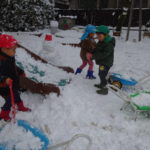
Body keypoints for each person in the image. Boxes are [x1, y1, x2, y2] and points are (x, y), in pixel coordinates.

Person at [0, 34, 31, 121]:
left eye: (15, 49)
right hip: (5, 86)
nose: (15, 52)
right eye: (13, 49)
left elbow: (13, 67)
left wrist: (20, 71)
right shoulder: (1, 61)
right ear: (3, 49)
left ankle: (21, 107)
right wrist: (4, 79)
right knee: (9, 101)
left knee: (16, 94)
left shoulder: (10, 57)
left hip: (13, 82)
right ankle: (3, 114)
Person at [93, 25, 115, 95]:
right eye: (98, 36)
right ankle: (102, 84)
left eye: (100, 36)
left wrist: (93, 56)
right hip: (102, 62)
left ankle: (105, 89)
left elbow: (104, 54)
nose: (98, 38)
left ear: (105, 35)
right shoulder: (101, 41)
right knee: (101, 73)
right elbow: (97, 49)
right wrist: (91, 52)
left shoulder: (109, 43)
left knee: (102, 74)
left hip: (106, 62)